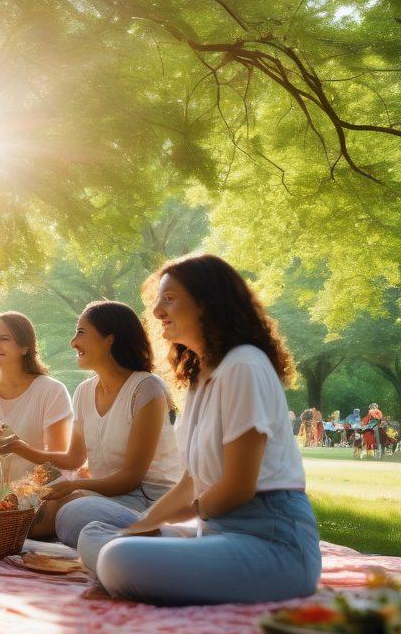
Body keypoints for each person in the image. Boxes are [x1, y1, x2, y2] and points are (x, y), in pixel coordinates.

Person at [76, 254, 321, 606]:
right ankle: (130, 567)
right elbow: (190, 482)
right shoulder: (200, 379)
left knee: (119, 557)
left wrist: (147, 530)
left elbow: (238, 487)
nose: (157, 311)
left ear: (207, 303)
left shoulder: (244, 365)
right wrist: (141, 525)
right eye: (158, 300)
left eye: (169, 299)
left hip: (273, 545)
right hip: (215, 533)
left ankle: (122, 569)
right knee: (94, 532)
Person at [26, 301, 181, 544]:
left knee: (72, 511)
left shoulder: (147, 388)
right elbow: (74, 458)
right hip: (104, 496)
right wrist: (20, 449)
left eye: (81, 332)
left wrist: (75, 486)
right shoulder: (84, 391)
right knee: (37, 508)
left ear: (109, 339)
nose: (73, 342)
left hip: (148, 503)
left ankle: (148, 540)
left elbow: (131, 477)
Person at [0, 311, 72, 486]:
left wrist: (27, 493)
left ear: (25, 347)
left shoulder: (52, 391)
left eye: (4, 339)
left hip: (37, 492)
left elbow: (59, 460)